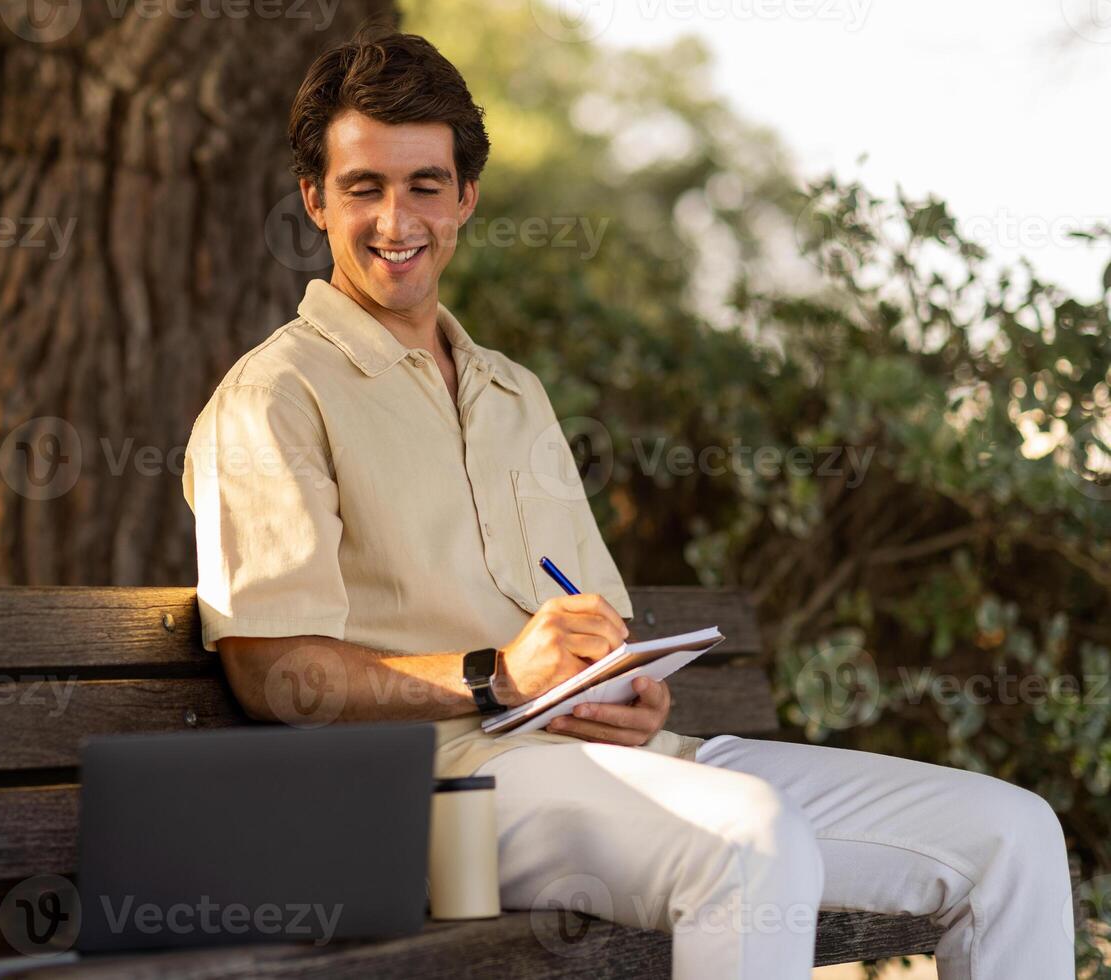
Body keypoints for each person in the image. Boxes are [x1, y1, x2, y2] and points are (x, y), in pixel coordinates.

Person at [179, 28, 1073, 980]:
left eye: (425, 185)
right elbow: (271, 674)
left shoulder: (511, 391)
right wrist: (494, 674)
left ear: (466, 197)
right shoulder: (276, 394)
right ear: (315, 198)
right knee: (748, 838)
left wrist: (626, 692)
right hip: (436, 789)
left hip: (619, 764)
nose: (396, 218)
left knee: (1009, 834)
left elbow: (589, 617)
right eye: (364, 187)